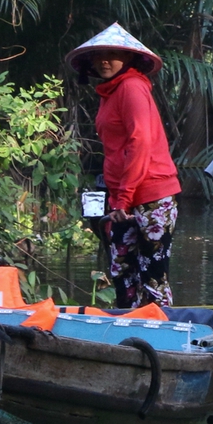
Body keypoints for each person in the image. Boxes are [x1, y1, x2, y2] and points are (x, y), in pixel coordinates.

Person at [68, 23, 183, 309]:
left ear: (129, 59)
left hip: (151, 196)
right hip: (123, 199)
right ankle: (127, 335)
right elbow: (117, 151)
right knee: (123, 272)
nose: (105, 60)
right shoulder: (110, 93)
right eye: (99, 55)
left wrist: (123, 199)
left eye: (113, 54)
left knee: (152, 275)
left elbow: (139, 144)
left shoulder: (131, 87)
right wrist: (117, 199)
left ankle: (160, 338)